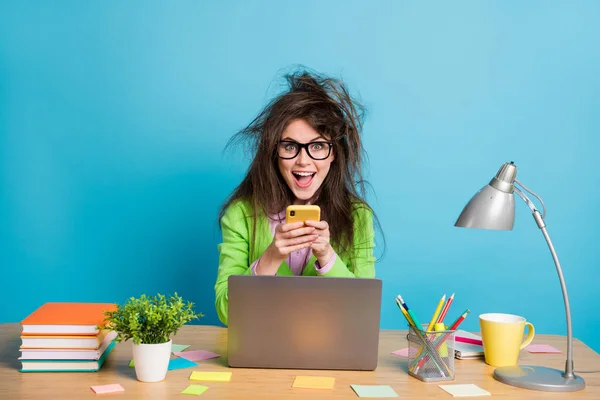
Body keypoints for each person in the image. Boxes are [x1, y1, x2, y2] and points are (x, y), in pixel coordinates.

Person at [214, 69, 380, 326]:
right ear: (274, 152)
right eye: (290, 146)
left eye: (317, 146)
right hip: (261, 349)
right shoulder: (240, 214)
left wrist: (326, 256)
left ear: (334, 153)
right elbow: (227, 314)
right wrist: (270, 258)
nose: (304, 160)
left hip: (331, 352)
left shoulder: (358, 216)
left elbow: (363, 314)